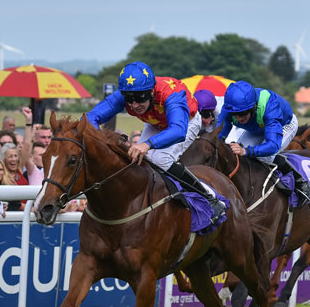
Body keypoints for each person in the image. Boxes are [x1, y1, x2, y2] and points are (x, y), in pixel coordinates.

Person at [87, 60, 225, 222]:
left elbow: (178, 131)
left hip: (185, 122)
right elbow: (91, 117)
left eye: (139, 98)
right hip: (156, 122)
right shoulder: (127, 93)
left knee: (160, 159)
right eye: (129, 99)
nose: (134, 104)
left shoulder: (171, 94)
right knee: (137, 159)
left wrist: (147, 145)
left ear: (152, 91)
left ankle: (210, 198)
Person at [218, 79, 310, 200]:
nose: (238, 118)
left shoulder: (269, 106)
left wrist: (246, 151)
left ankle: (301, 182)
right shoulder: (229, 107)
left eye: (243, 113)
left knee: (264, 157)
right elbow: (219, 134)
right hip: (258, 127)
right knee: (239, 156)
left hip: (284, 124)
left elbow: (272, 145)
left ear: (254, 107)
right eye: (235, 114)